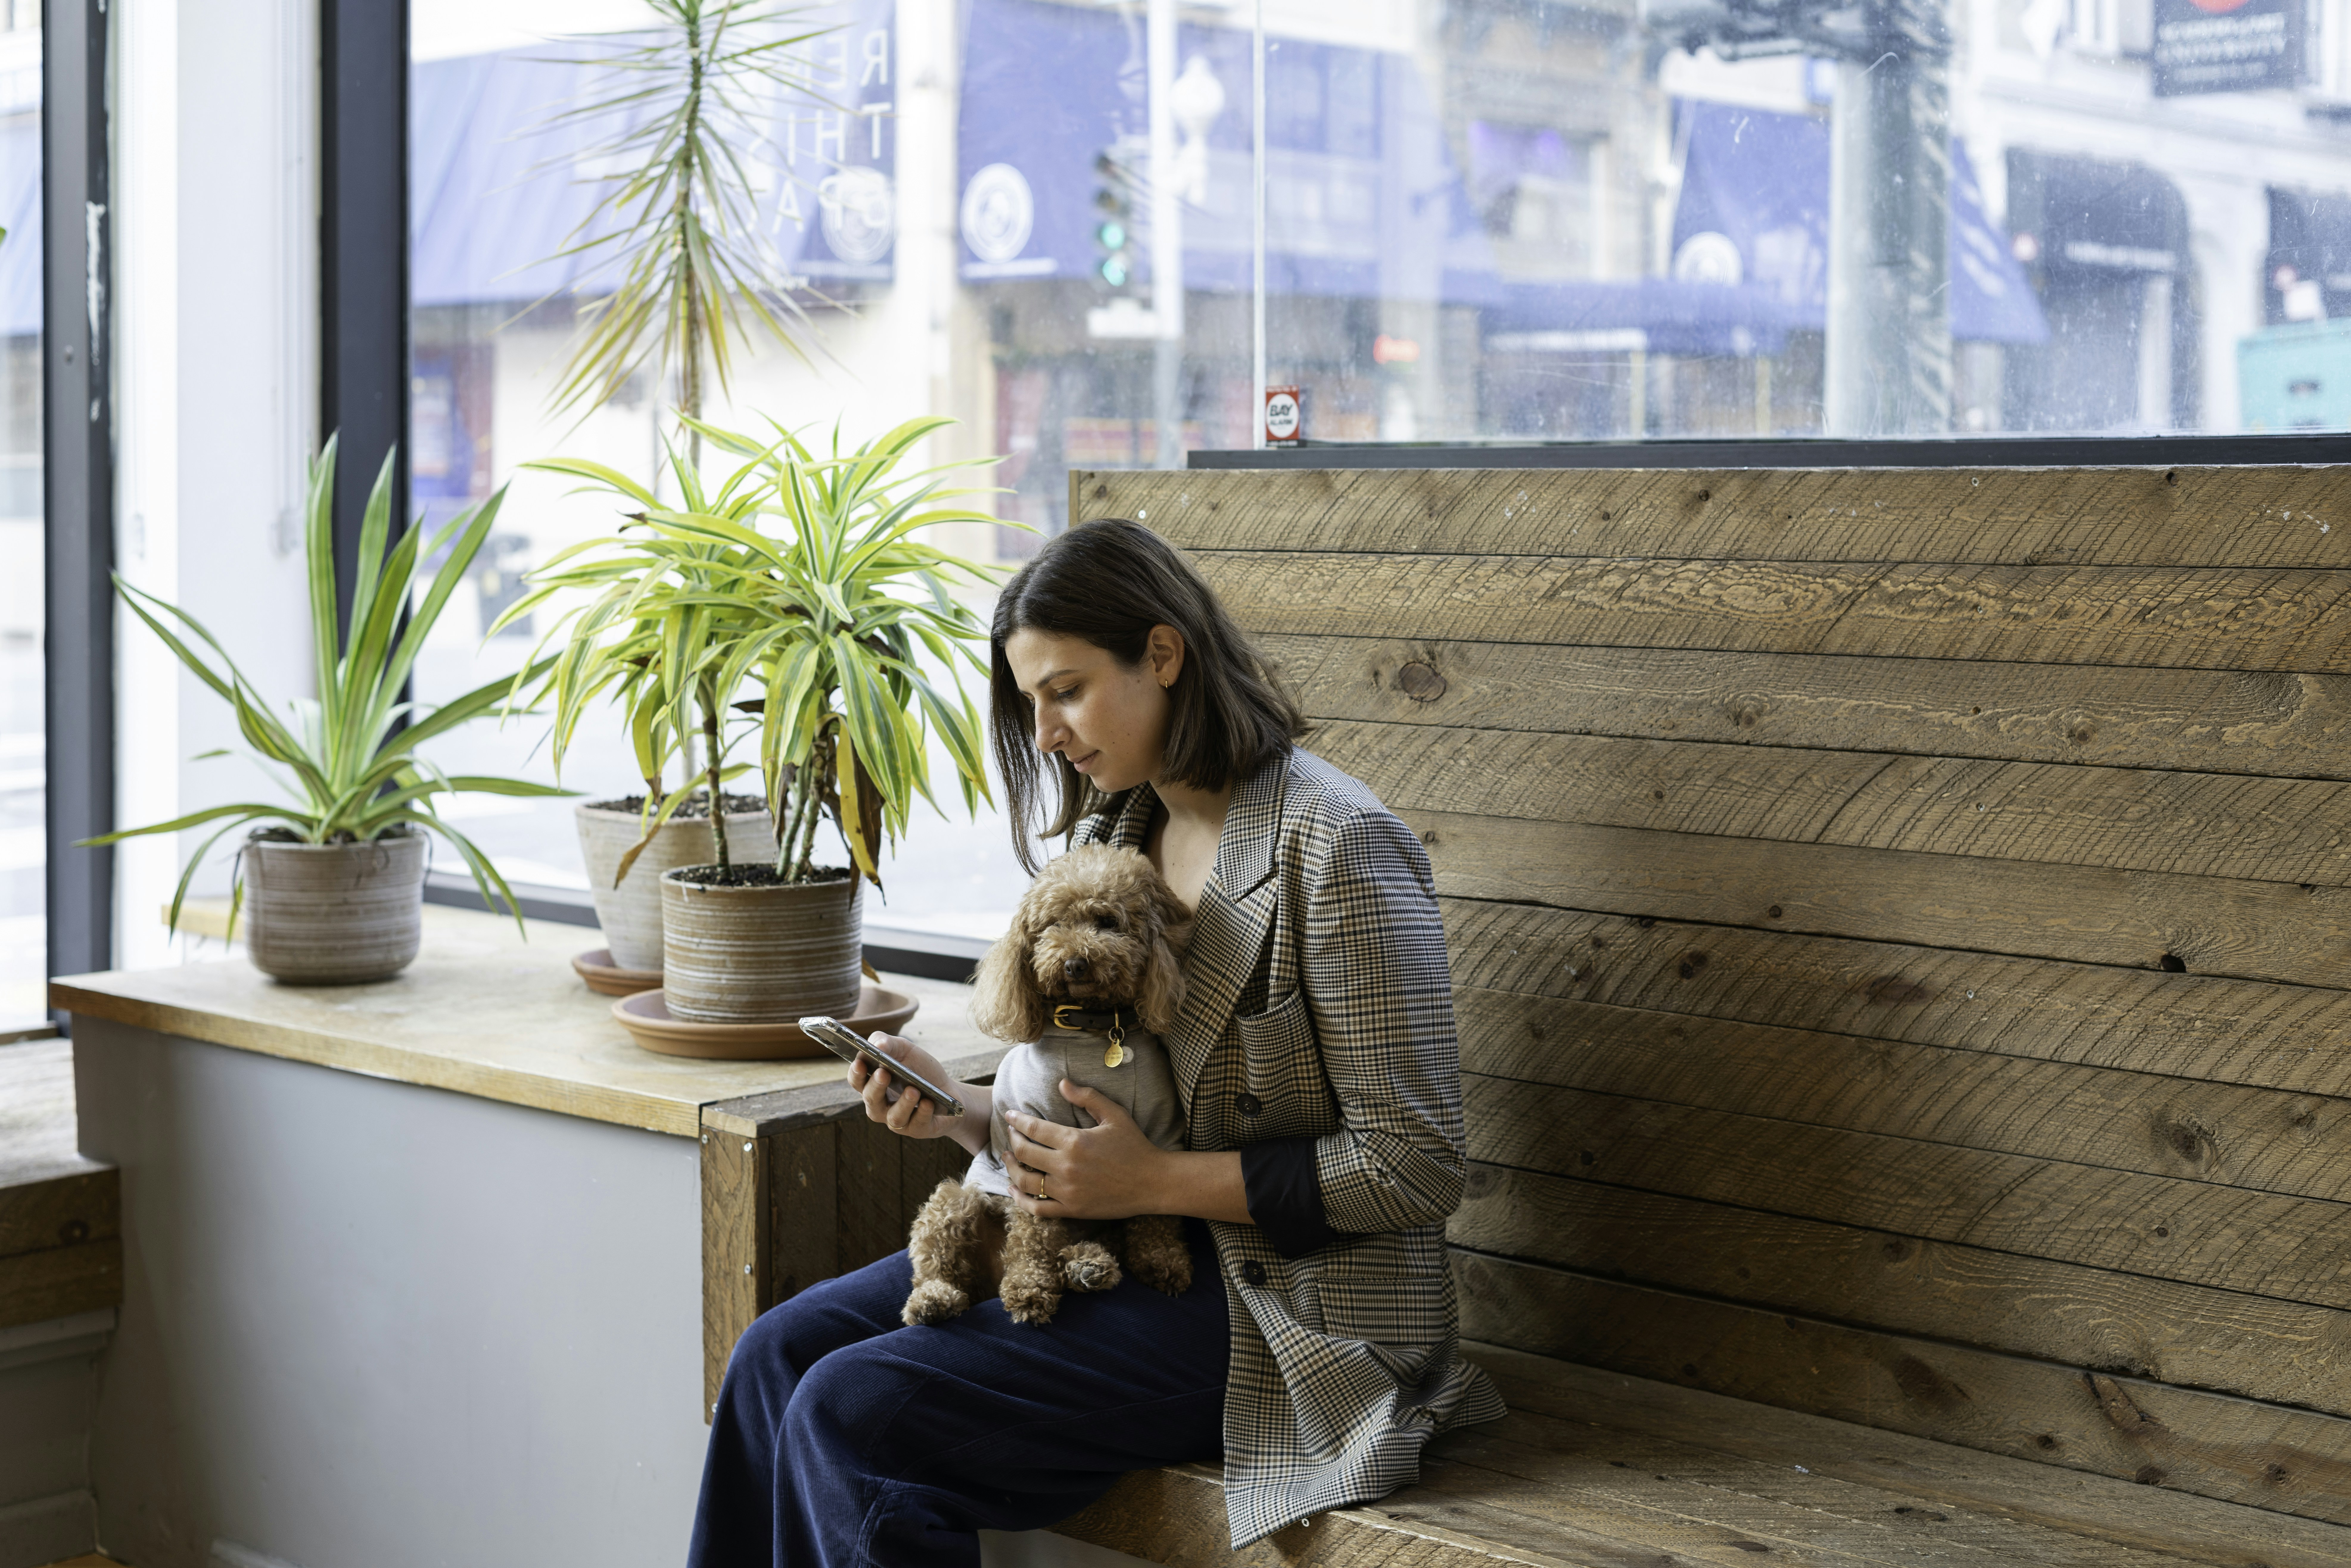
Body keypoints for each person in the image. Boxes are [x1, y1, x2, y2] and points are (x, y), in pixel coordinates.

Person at [687, 518, 1504, 1566]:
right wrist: (965, 1111)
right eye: (1030, 703)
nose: (1044, 735)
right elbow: (1098, 1102)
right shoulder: (1115, 831)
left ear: (1162, 655)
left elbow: (1416, 1164)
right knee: (773, 1355)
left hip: (1283, 1302)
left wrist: (1153, 1181)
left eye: (1065, 691)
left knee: (857, 1410)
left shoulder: (1339, 845)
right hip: (1104, 1241)